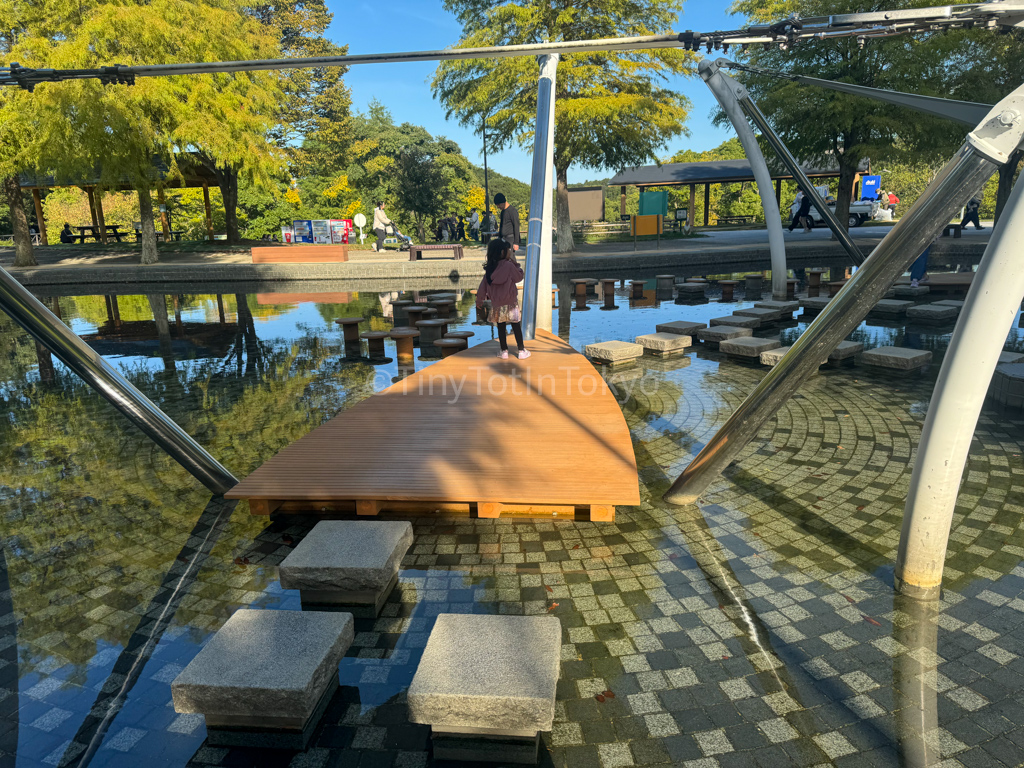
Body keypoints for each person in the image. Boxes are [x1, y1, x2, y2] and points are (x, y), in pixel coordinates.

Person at [476, 237, 529, 360]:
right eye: (508, 250)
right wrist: (517, 266)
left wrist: (479, 300)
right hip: (511, 302)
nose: (510, 252)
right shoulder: (509, 266)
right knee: (516, 325)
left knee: (501, 326)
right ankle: (521, 351)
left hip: (497, 304)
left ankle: (504, 351)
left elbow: (482, 287)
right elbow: (518, 278)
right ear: (502, 252)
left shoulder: (490, 269)